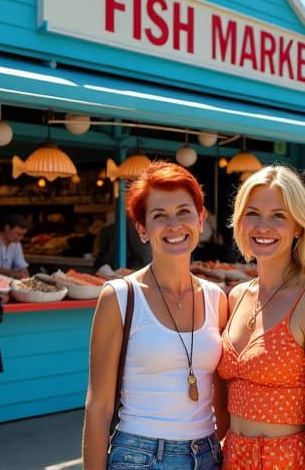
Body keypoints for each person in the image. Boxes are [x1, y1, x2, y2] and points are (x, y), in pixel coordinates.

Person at [82, 162, 228, 470]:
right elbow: (98, 406)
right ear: (142, 230)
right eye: (159, 216)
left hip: (207, 453)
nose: (174, 225)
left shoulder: (217, 297)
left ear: (200, 220)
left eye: (184, 212)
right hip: (139, 455)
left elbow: (221, 395)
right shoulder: (120, 296)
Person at [218, 165, 305, 469]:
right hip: (231, 458)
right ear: (239, 222)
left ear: (298, 227)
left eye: (278, 216)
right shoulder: (235, 297)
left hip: (285, 461)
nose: (263, 226)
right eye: (252, 213)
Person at [0, 213, 30, 279]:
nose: (21, 238)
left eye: (23, 235)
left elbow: (20, 264)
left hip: (6, 283)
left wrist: (24, 272)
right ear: (7, 228)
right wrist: (11, 273)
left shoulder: (16, 243)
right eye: (18, 234)